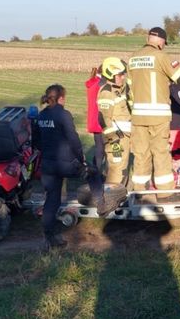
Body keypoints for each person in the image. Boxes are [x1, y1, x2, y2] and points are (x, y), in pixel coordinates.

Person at [128, 27, 180, 201]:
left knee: (141, 154)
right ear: (160, 41)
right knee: (161, 153)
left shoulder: (133, 57)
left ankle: (141, 192)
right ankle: (165, 193)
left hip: (138, 116)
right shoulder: (161, 57)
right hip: (158, 116)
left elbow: (129, 90)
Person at [35, 84, 101, 249]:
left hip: (48, 165)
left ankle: (49, 238)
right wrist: (81, 159)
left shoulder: (41, 116)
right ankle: (102, 204)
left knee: (52, 200)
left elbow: (34, 141)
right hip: (66, 164)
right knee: (93, 172)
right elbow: (74, 140)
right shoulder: (63, 114)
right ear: (61, 98)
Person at [96, 57, 132, 215]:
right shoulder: (106, 92)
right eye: (120, 74)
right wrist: (114, 137)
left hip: (124, 137)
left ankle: (119, 199)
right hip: (116, 139)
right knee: (116, 169)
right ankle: (108, 203)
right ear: (111, 75)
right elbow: (103, 118)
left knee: (123, 169)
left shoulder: (119, 89)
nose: (123, 77)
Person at [85, 65, 105, 171]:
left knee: (99, 146)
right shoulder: (101, 84)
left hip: (93, 119)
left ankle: (94, 168)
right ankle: (97, 170)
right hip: (101, 119)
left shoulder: (92, 82)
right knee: (102, 148)